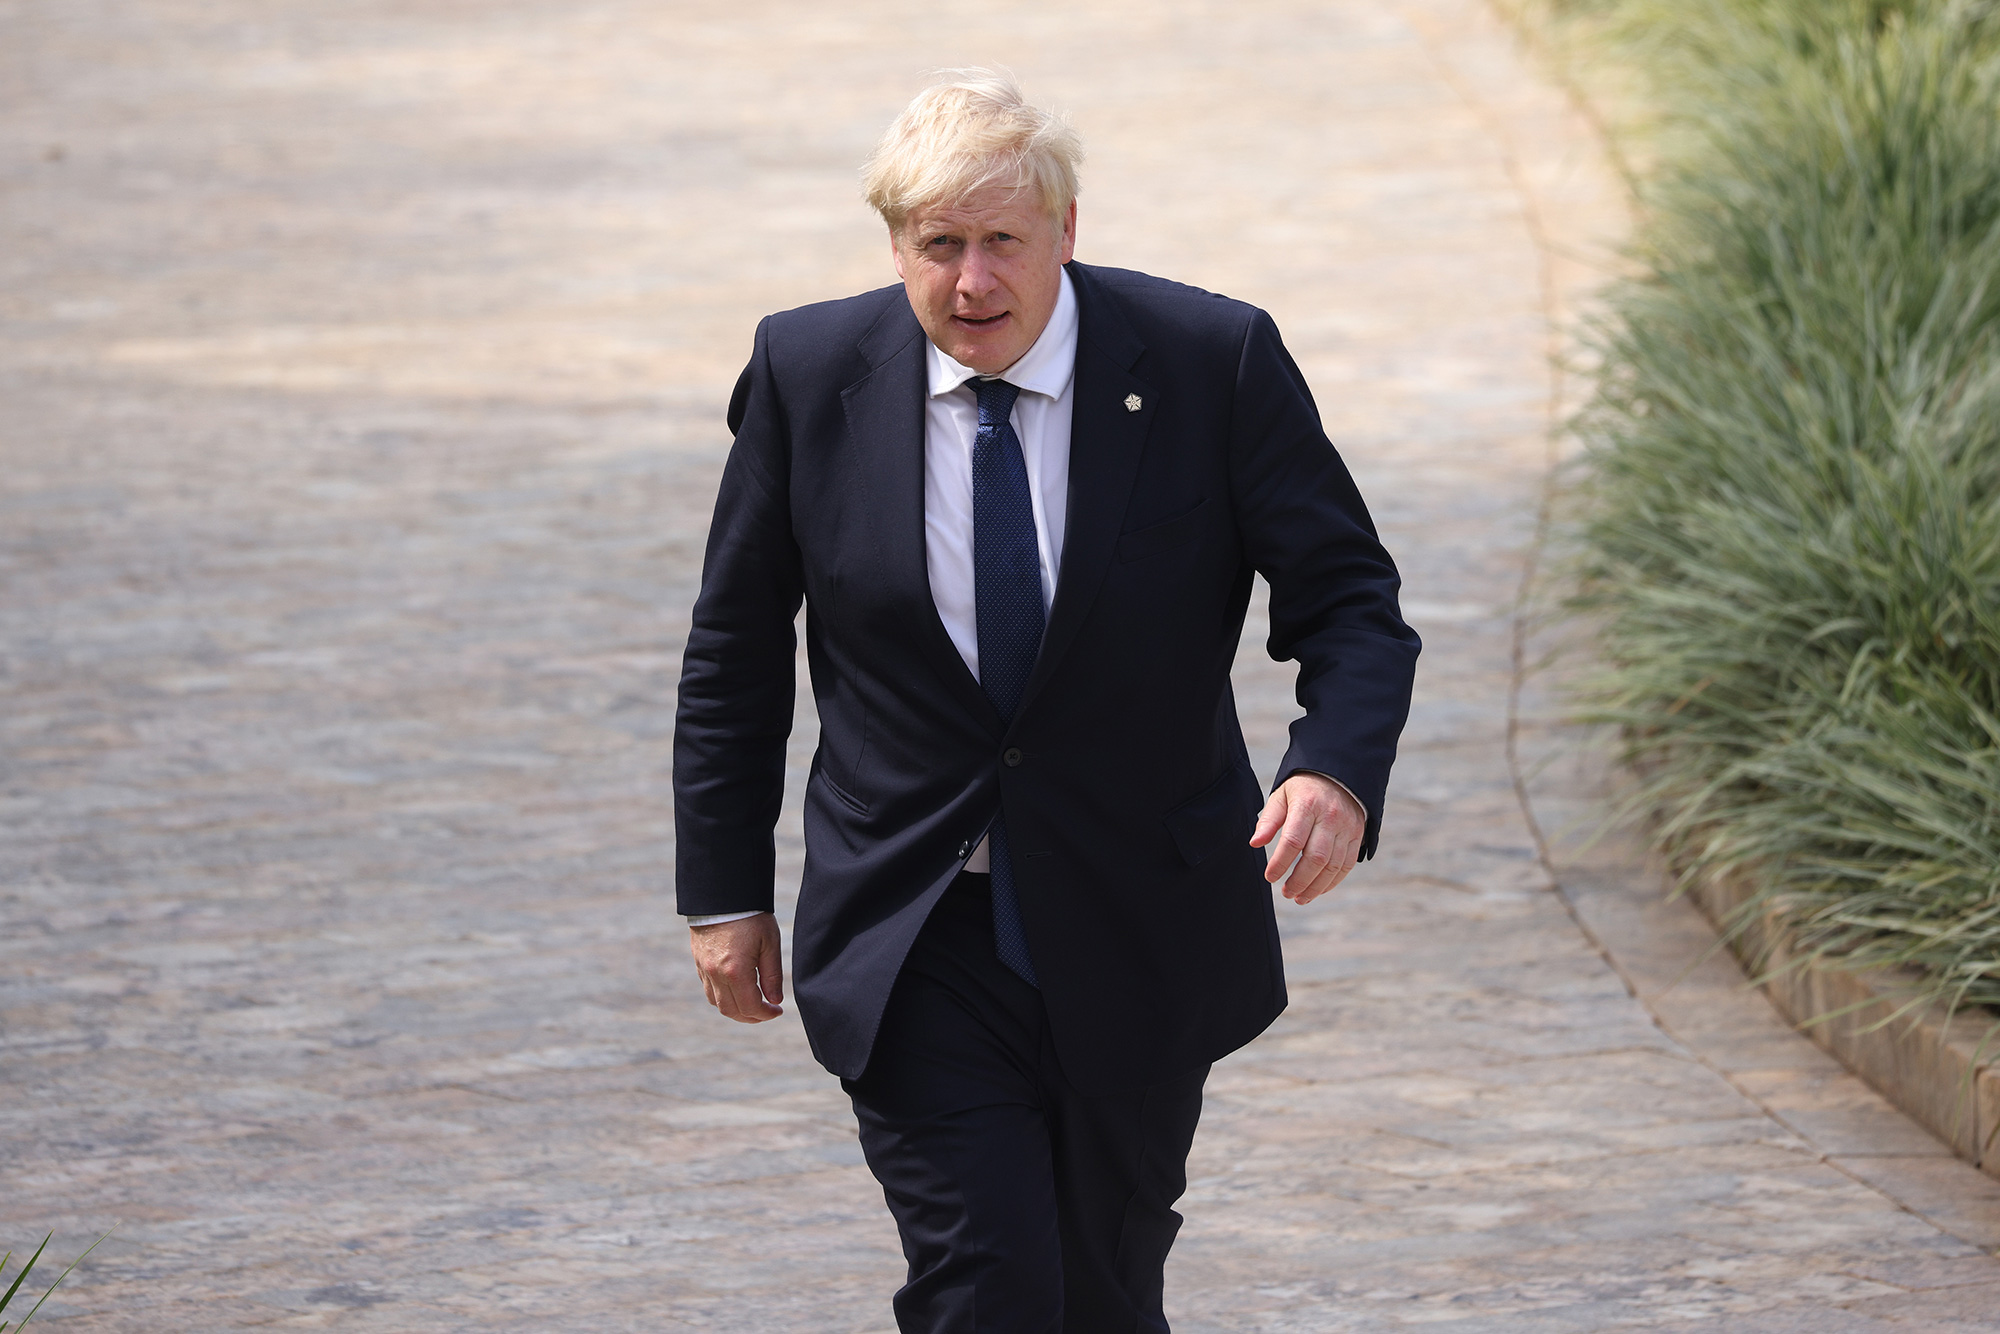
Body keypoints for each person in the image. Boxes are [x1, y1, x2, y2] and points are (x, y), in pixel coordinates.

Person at [674, 69, 1419, 1334]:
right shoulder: (808, 373)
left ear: (1066, 231)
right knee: (989, 1287)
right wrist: (725, 891)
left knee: (1103, 1291)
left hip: (1136, 908)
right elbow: (736, 650)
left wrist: (1331, 769)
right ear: (895, 243)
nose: (971, 283)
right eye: (938, 246)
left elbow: (1349, 601)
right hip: (915, 921)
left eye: (1001, 242)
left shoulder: (1206, 362)